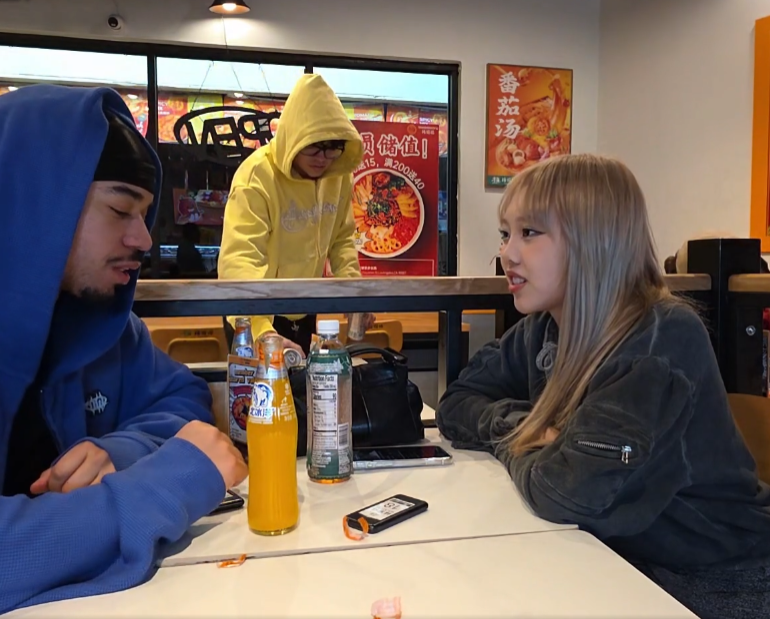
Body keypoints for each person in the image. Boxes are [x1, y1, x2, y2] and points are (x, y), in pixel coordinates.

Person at [0, 85, 247, 619]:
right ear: (30, 201)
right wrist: (150, 493)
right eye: (120, 209)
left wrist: (123, 452)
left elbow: (180, 397)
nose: (144, 239)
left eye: (144, 213)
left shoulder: (97, 322)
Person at [436, 153, 770, 619]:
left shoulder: (659, 338)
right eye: (505, 233)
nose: (507, 253)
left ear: (594, 241)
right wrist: (526, 427)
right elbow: (455, 404)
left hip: (714, 582)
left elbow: (564, 492)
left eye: (529, 232)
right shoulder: (545, 327)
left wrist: (527, 440)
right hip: (616, 559)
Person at [218, 73, 375, 355]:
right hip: (253, 314)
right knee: (260, 385)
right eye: (314, 146)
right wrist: (262, 331)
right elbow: (240, 259)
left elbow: (342, 239)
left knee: (305, 382)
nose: (322, 158)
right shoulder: (256, 177)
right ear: (294, 138)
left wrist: (354, 293)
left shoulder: (338, 176)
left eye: (333, 148)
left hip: (304, 308)